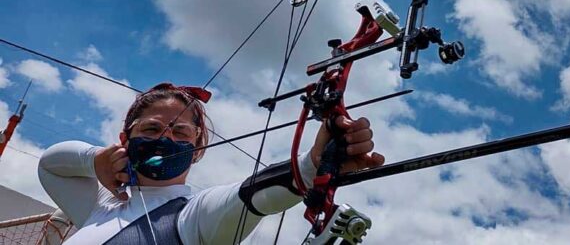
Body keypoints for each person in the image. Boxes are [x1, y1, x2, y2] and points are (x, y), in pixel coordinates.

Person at [37, 83, 384, 244]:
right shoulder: (99, 207)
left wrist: (311, 167)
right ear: (125, 140)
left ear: (198, 148)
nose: (166, 139)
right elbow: (50, 164)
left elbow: (250, 196)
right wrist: (95, 160)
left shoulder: (194, 215)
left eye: (182, 134)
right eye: (152, 129)